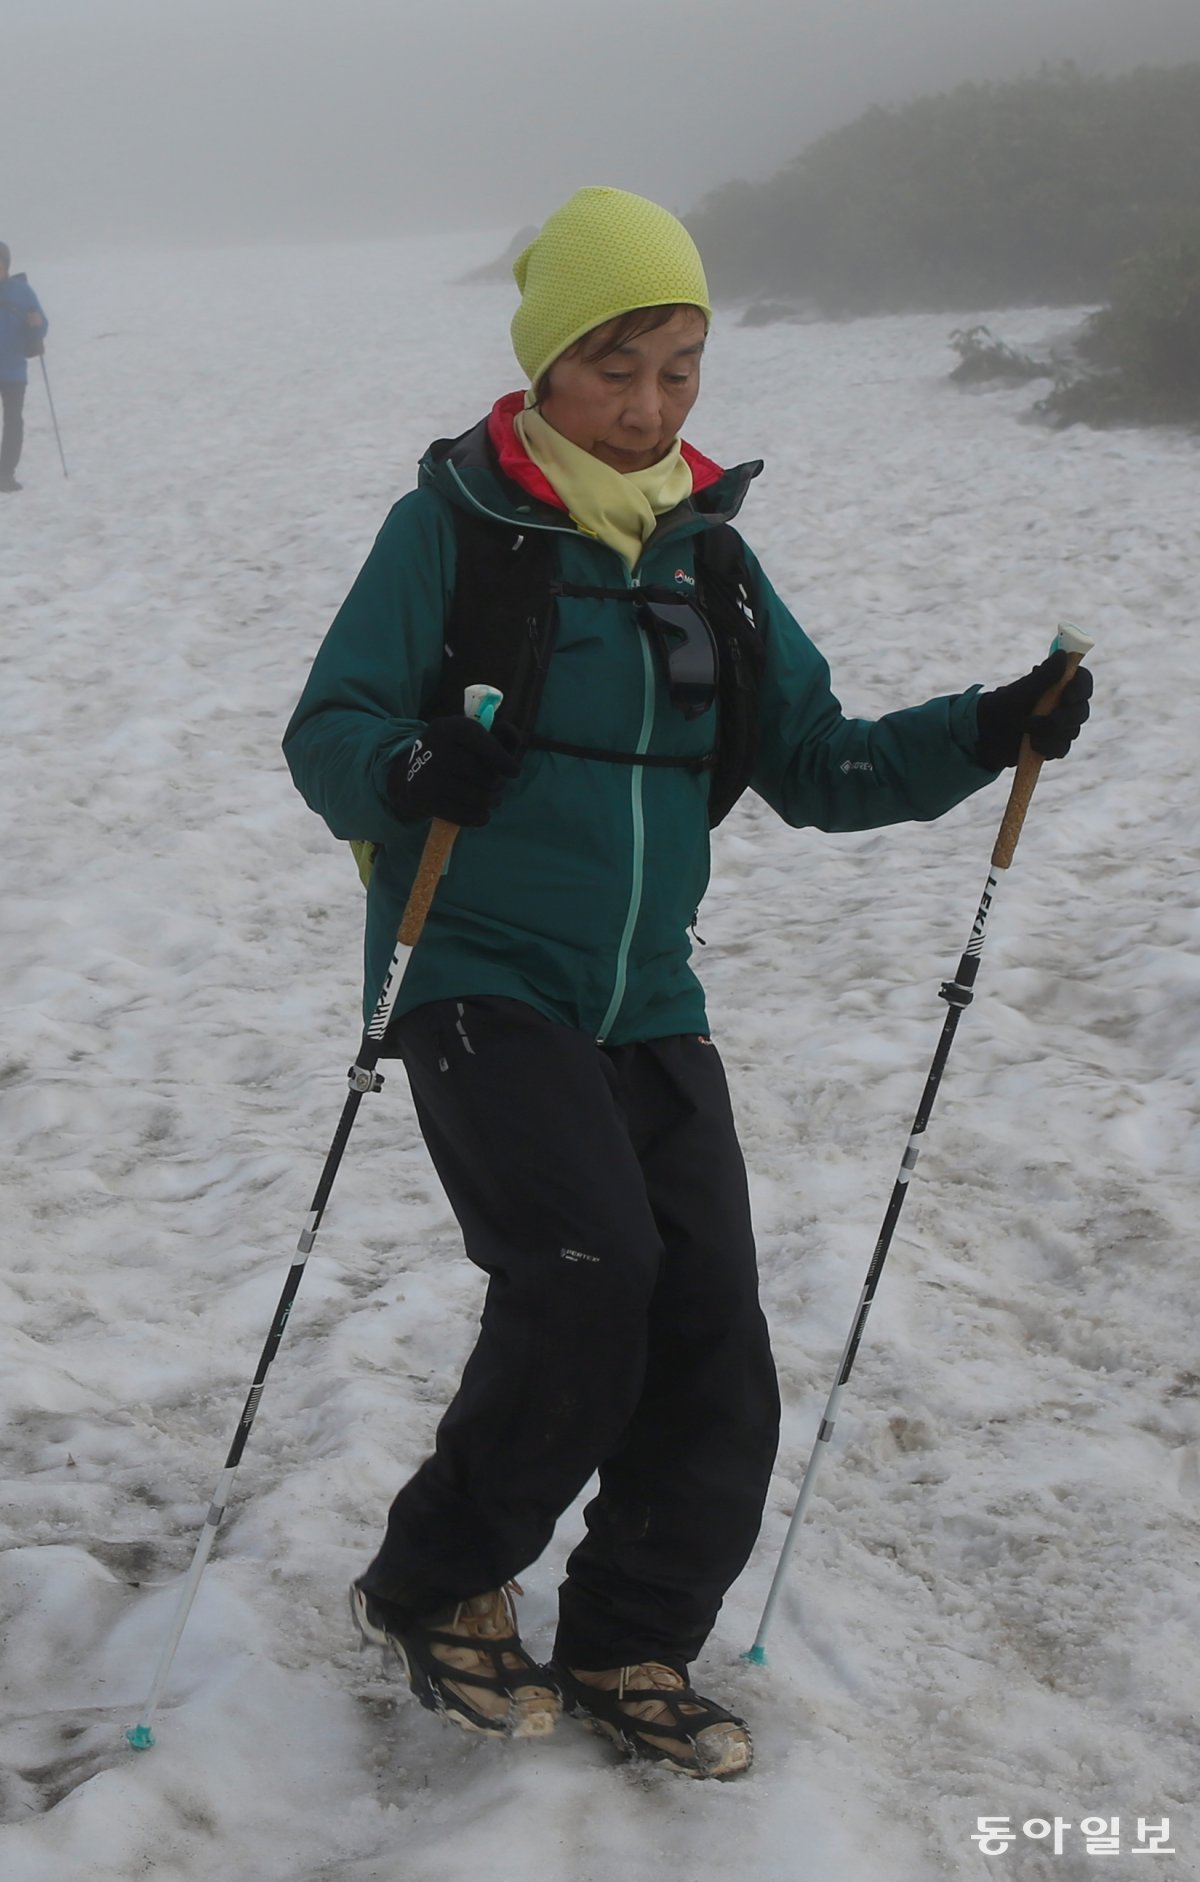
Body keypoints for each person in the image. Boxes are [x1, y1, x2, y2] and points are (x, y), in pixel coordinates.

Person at [283, 187, 1091, 1779]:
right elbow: (331, 732)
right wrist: (409, 758)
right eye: (616, 369)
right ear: (546, 368)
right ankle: (435, 1580)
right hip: (471, 967)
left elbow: (820, 762)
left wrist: (989, 725)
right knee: (591, 1273)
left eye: (681, 367)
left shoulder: (707, 555)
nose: (651, 406)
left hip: (646, 987)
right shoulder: (451, 525)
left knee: (712, 1318)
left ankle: (631, 1632)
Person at [0, 243, 49, 494]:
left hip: (13, 371)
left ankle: (5, 473)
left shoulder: (22, 291)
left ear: (6, 265)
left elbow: (41, 327)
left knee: (13, 422)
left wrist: (36, 324)